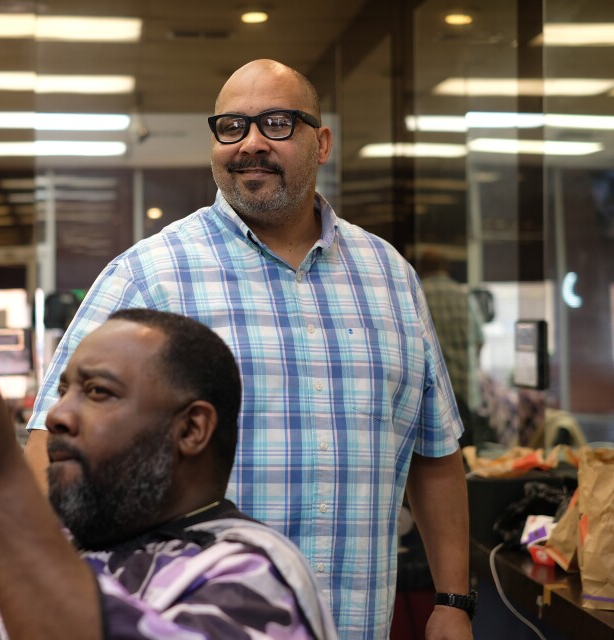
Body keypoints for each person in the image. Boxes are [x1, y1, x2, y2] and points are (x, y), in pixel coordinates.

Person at [23, 59, 473, 638]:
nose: (251, 144)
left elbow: (433, 452)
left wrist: (453, 599)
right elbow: (50, 448)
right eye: (231, 127)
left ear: (322, 142)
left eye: (277, 123)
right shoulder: (148, 277)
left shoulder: (390, 277)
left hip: (357, 623)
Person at [0, 308, 337, 639]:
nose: (57, 414)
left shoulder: (251, 575)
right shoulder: (67, 538)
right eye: (63, 391)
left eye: (97, 392)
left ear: (191, 429)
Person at [417, 248, 487, 448]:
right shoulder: (464, 296)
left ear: (422, 268)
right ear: (445, 268)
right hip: (464, 391)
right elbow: (479, 341)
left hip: (432, 399)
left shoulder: (418, 293)